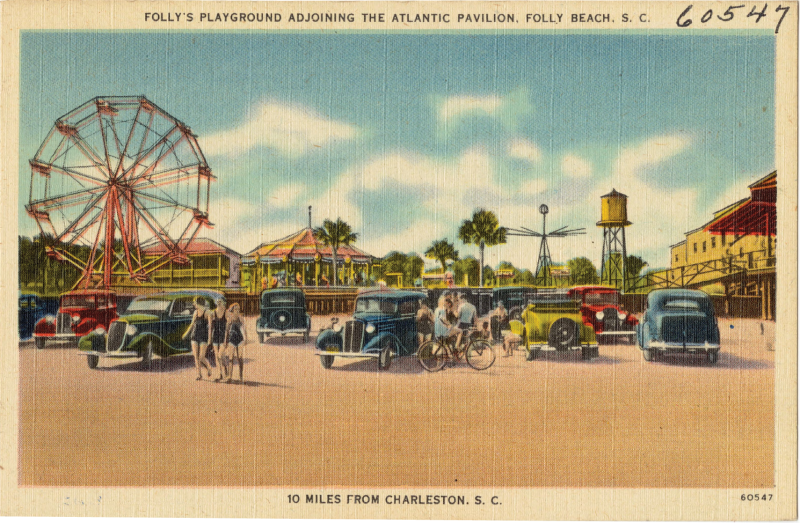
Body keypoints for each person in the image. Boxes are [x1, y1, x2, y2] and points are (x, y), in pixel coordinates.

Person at [183, 296, 212, 380]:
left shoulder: (208, 312)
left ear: (198, 303)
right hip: (195, 335)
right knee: (196, 356)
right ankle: (199, 374)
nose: (193, 304)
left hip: (204, 336)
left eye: (194, 302)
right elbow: (192, 324)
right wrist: (186, 333)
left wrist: (209, 338)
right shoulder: (195, 312)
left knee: (201, 357)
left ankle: (208, 367)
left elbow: (210, 327)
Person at [225, 303, 247, 383]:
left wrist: (246, 339)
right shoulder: (230, 319)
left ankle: (241, 376)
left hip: (239, 339)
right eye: (236, 309)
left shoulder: (241, 318)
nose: (237, 311)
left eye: (238, 309)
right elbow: (227, 331)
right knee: (230, 358)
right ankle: (229, 376)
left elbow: (244, 329)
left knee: (240, 358)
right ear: (232, 310)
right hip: (231, 339)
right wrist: (225, 341)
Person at [210, 297, 228, 381]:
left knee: (220, 355)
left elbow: (228, 328)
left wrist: (225, 339)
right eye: (218, 302)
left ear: (223, 303)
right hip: (215, 336)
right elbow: (210, 327)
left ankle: (225, 369)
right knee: (217, 356)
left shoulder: (226, 313)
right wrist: (209, 338)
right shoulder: (213, 313)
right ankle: (220, 374)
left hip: (223, 336)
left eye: (220, 302)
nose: (219, 303)